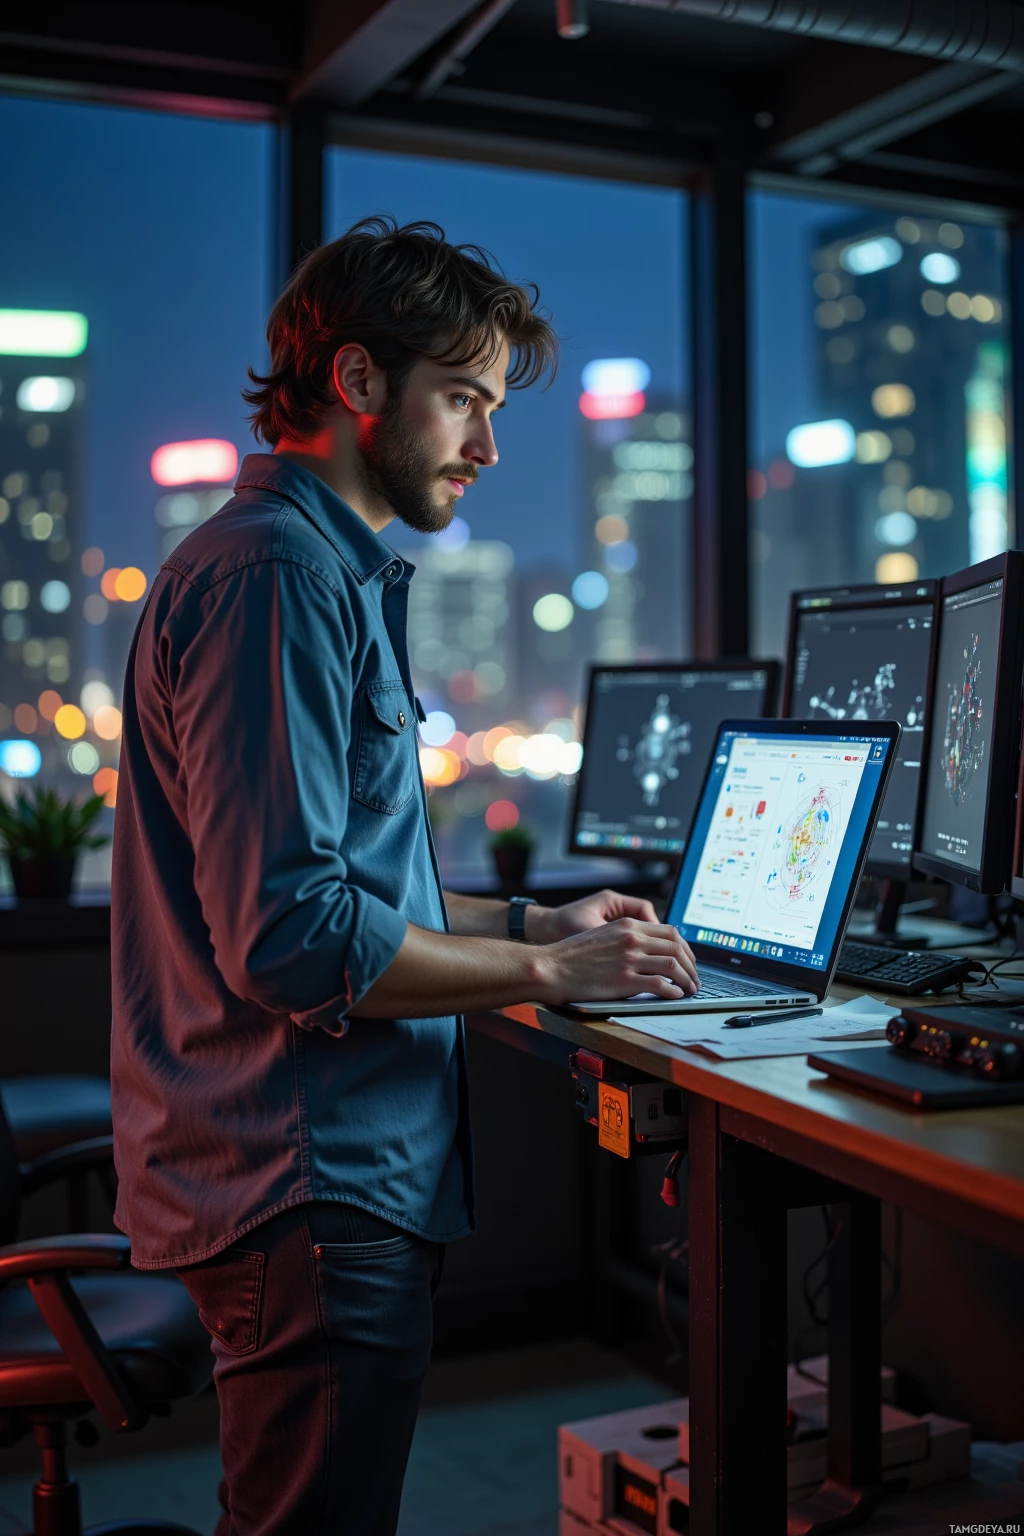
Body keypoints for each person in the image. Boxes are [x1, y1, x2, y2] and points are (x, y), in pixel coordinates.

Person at [110, 215, 697, 1536]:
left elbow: (346, 882)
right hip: (306, 1180)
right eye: (464, 402)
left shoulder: (309, 572)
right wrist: (549, 971)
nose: (488, 448)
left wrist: (538, 914)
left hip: (301, 1175)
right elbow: (295, 938)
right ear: (360, 383)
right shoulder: (276, 580)